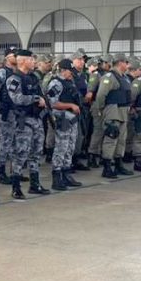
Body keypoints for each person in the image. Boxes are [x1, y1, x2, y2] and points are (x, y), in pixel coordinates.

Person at [5, 49, 50, 199]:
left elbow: (43, 96)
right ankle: (16, 187)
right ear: (23, 61)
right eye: (31, 59)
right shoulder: (14, 79)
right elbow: (16, 98)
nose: (34, 62)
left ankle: (34, 184)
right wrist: (35, 99)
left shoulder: (33, 78)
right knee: (20, 154)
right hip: (23, 121)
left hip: (36, 119)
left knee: (36, 153)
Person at [45, 59, 83, 190]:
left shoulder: (69, 82)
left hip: (71, 119)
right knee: (61, 147)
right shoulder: (56, 83)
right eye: (69, 71)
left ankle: (66, 173)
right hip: (62, 119)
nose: (71, 74)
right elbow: (53, 103)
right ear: (63, 70)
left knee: (70, 147)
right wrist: (70, 105)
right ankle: (56, 176)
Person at [96, 53, 134, 177]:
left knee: (121, 139)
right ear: (120, 63)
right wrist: (102, 109)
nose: (128, 65)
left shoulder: (124, 77)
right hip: (113, 110)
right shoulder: (110, 77)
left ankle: (118, 164)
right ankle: (107, 167)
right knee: (111, 138)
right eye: (126, 62)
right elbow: (101, 95)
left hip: (123, 111)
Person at [0, 47, 18, 185]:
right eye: (13, 55)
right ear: (7, 57)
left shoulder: (16, 72)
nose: (16, 57)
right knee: (5, 142)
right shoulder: (2, 72)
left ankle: (15, 172)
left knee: (14, 143)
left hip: (16, 112)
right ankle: (1, 173)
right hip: (6, 111)